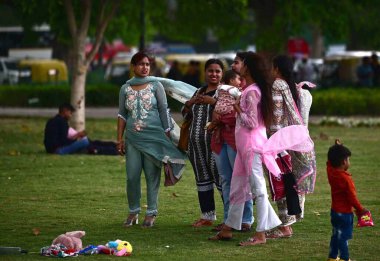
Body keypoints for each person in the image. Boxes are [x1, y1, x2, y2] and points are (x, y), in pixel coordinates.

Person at [209, 52, 282, 245]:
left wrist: (237, 107)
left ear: (248, 68)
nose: (236, 66)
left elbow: (250, 122)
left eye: (241, 64)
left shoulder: (251, 92)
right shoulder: (250, 89)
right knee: (238, 188)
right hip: (245, 147)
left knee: (258, 190)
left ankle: (261, 235)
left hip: (251, 147)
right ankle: (227, 229)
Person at [117, 51, 186, 228]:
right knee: (132, 176)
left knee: (151, 176)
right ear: (133, 67)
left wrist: (168, 132)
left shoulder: (156, 86)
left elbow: (164, 110)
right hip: (132, 138)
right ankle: (133, 211)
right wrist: (119, 139)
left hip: (155, 137)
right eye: (141, 64)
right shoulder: (125, 88)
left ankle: (151, 212)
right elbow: (122, 115)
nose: (145, 67)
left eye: (147, 64)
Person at [265, 55, 317, 239]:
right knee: (288, 181)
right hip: (291, 140)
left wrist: (272, 141)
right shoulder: (289, 84)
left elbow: (277, 115)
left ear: (277, 68)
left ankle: (285, 226)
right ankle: (288, 223)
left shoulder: (278, 84)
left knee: (280, 181)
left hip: (280, 141)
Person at [208, 69, 253, 232]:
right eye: (237, 78)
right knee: (226, 180)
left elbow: (244, 118)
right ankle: (229, 219)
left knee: (241, 180)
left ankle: (246, 219)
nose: (240, 81)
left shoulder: (245, 95)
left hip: (235, 141)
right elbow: (216, 112)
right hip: (219, 141)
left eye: (241, 78)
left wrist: (221, 119)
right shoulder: (222, 93)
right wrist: (217, 119)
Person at [182, 58, 224, 227]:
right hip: (195, 145)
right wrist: (190, 103)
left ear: (222, 74)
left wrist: (213, 102)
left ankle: (232, 218)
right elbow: (185, 114)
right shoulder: (199, 91)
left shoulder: (225, 92)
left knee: (221, 179)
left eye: (217, 71)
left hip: (215, 144)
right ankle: (207, 216)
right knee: (202, 179)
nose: (214, 74)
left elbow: (230, 111)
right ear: (205, 72)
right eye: (210, 71)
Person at [326, 140, 368, 261]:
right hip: (345, 214)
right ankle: (345, 258)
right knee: (343, 237)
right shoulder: (346, 179)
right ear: (344, 162)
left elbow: (329, 162)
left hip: (334, 212)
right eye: (348, 159)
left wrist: (337, 148)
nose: (349, 162)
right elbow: (352, 198)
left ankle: (332, 257)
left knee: (335, 235)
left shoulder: (331, 172)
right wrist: (361, 209)